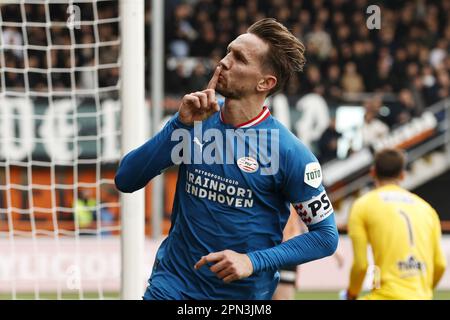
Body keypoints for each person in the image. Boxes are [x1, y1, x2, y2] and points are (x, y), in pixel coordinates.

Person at [115, 18, 338, 300]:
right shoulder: (195, 119)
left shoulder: (290, 152)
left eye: (239, 59)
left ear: (264, 83)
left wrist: (252, 261)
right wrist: (180, 126)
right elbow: (126, 179)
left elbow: (326, 237)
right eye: (228, 51)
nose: (223, 62)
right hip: (171, 287)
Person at [342, 148, 447, 300]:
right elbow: (440, 265)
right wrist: (424, 291)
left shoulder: (362, 205)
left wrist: (351, 294)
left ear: (373, 172)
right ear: (403, 175)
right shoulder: (427, 209)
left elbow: (361, 265)